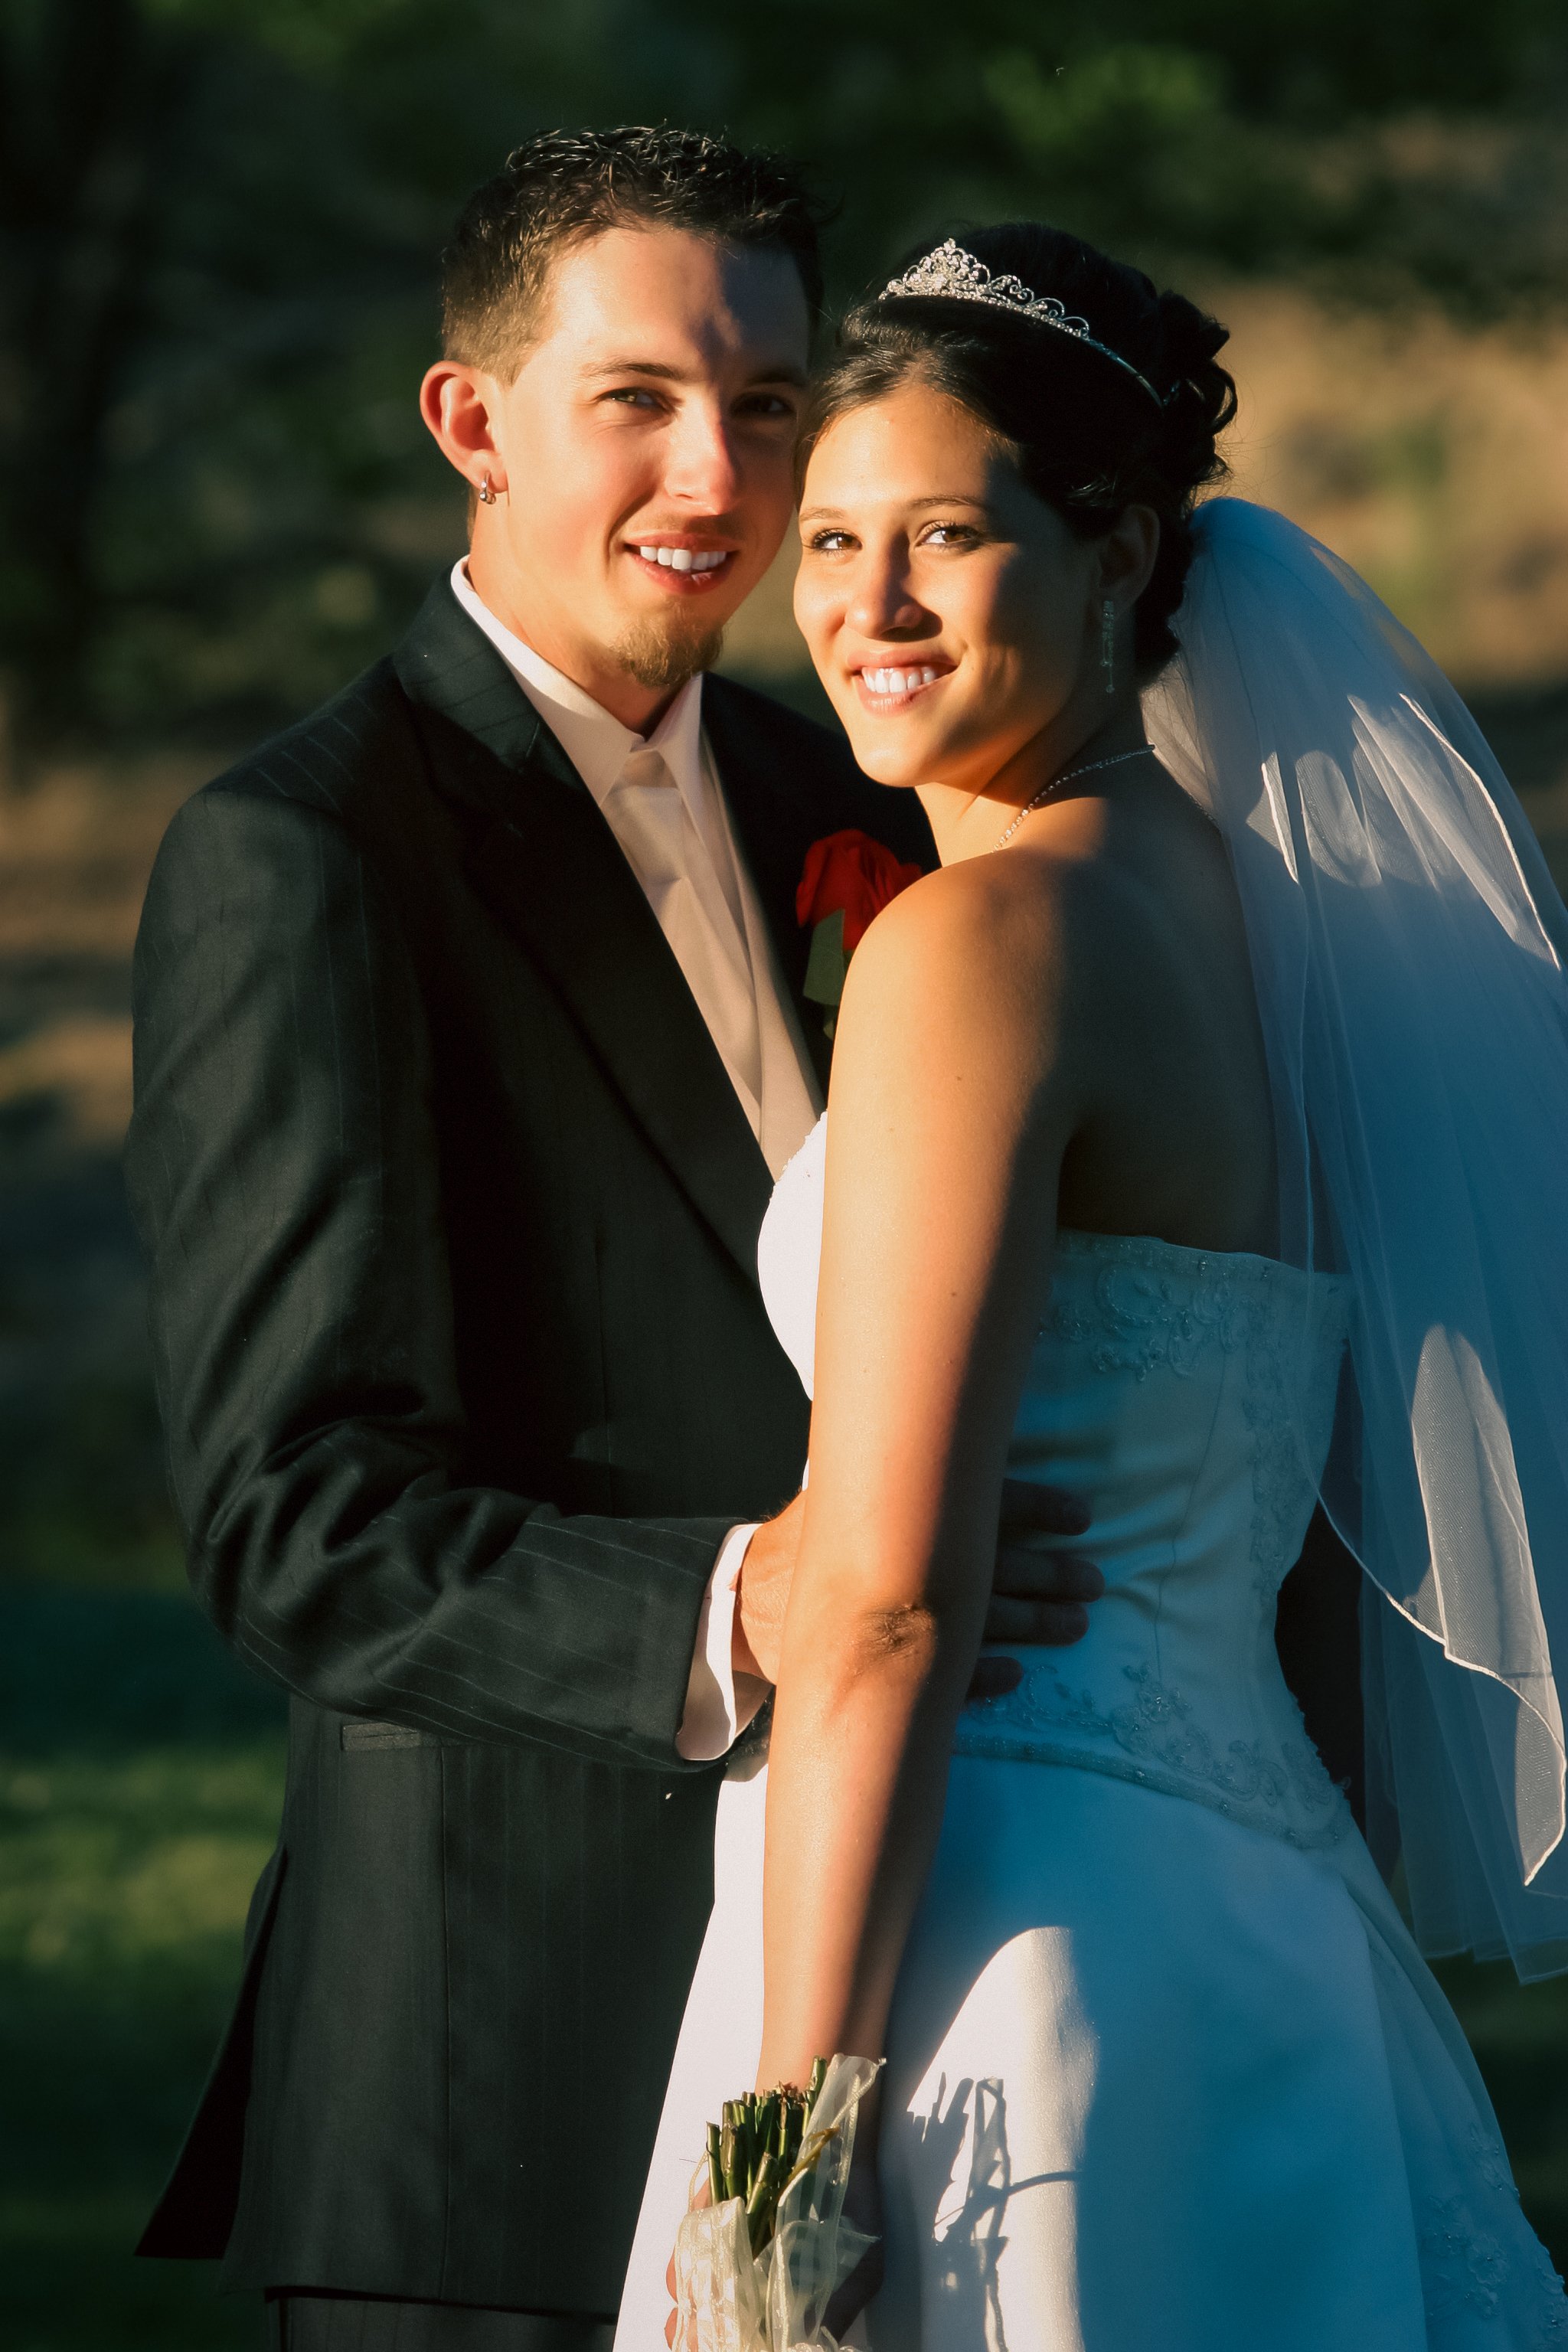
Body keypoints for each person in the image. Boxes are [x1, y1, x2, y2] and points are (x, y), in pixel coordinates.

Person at [123, 135, 1106, 2352]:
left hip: (917, 1994)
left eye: (767, 405)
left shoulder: (844, 797)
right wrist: (774, 1587)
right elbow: (302, 1527)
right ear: (472, 424)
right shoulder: (309, 857)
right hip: (501, 2086)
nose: (719, 473)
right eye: (638, 397)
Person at [620, 224, 1568, 2349]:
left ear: (1118, 548)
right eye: (833, 538)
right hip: (1261, 1933)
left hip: (992, 1946)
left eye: (946, 537)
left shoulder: (980, 950)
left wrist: (792, 2139)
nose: (862, 609)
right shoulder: (1287, 940)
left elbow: (881, 1603)